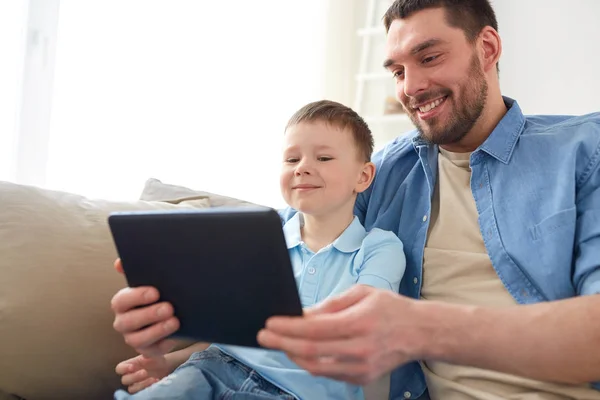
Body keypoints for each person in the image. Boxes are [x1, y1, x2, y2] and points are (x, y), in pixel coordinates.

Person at [257, 1, 600, 399]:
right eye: (398, 71)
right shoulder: (382, 172)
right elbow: (280, 242)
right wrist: (184, 329)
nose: (410, 87)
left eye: (430, 57)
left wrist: (419, 327)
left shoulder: (583, 152)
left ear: (487, 49)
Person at [111, 100, 406, 399]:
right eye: (292, 160)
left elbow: (364, 326)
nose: (303, 168)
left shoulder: (380, 248)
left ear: (363, 176)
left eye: (324, 157)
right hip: (211, 370)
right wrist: (168, 363)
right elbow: (231, 329)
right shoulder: (261, 233)